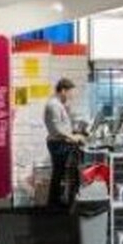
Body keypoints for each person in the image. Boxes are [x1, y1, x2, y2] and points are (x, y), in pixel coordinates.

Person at [44, 78, 81, 208]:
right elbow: (57, 129)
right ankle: (54, 204)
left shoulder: (58, 104)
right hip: (58, 144)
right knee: (58, 174)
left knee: (58, 173)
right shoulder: (54, 105)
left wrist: (73, 134)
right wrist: (73, 137)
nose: (71, 96)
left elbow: (62, 125)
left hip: (59, 142)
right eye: (70, 92)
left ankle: (55, 203)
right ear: (63, 90)